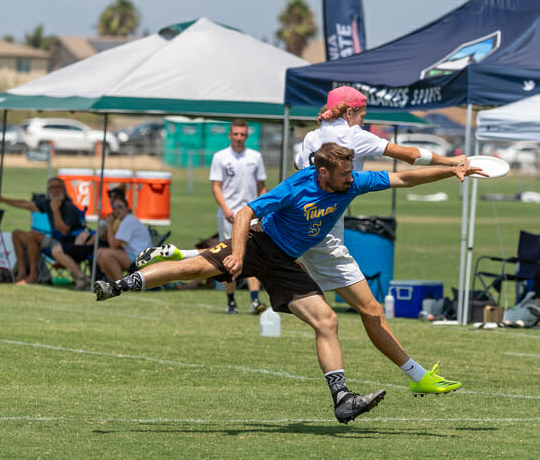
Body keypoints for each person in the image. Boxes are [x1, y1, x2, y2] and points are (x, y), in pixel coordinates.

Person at [94, 143, 484, 423]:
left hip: (285, 263)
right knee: (195, 268)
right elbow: (246, 212)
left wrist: (451, 171)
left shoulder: (352, 183)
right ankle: (120, 285)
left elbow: (404, 177)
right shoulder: (297, 187)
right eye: (345, 173)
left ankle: (343, 400)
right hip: (260, 244)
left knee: (327, 321)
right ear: (323, 172)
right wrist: (239, 254)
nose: (352, 179)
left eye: (353, 172)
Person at [143, 85, 468, 398]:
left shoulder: (313, 137)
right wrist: (451, 163)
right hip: (323, 237)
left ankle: (184, 254)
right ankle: (417, 376)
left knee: (253, 265)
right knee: (370, 310)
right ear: (352, 111)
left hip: (292, 229)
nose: (364, 120)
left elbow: (304, 174)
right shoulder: (353, 135)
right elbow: (409, 157)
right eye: (363, 113)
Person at [209, 119, 268, 315]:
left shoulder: (255, 157)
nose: (239, 138)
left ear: (247, 136)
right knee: (228, 255)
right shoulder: (220, 157)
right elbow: (216, 185)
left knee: (251, 254)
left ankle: (254, 300)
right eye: (236, 134)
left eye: (242, 134)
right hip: (229, 214)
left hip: (250, 213)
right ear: (230, 135)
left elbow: (261, 186)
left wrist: (263, 209)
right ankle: (231, 301)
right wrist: (225, 208)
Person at [0, 178, 84, 285]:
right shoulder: (47, 203)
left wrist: (55, 210)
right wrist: (0, 199)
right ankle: (21, 273)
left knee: (32, 235)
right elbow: (25, 204)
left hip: (65, 243)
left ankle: (33, 276)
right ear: (48, 191)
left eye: (58, 187)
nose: (55, 190)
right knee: (17, 234)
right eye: (52, 187)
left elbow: (64, 231)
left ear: (64, 189)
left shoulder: (69, 207)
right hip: (53, 240)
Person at [94, 194, 151, 282]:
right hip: (133, 254)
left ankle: (122, 284)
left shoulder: (128, 221)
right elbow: (112, 241)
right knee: (99, 252)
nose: (117, 210)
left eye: (120, 206)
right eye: (114, 207)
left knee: (106, 254)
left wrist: (109, 225)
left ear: (127, 207)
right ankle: (110, 283)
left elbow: (113, 246)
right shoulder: (124, 221)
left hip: (141, 258)